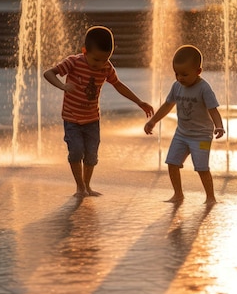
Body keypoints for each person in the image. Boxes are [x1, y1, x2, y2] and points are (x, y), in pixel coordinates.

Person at [44, 26, 154, 197]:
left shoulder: (106, 67)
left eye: (105, 59)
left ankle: (87, 185)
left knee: (91, 155)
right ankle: (79, 187)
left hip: (92, 119)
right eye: (96, 60)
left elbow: (118, 85)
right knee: (76, 151)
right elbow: (49, 73)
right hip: (72, 118)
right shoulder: (74, 61)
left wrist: (139, 102)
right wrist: (63, 86)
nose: (100, 64)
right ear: (84, 51)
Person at [144, 45, 224, 204]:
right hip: (181, 134)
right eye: (176, 74)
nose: (180, 78)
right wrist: (153, 121)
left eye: (185, 74)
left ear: (198, 71)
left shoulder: (204, 88)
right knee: (172, 163)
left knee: (202, 167)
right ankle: (178, 194)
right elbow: (167, 105)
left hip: (202, 136)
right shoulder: (177, 86)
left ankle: (210, 197)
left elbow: (213, 110)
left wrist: (219, 126)